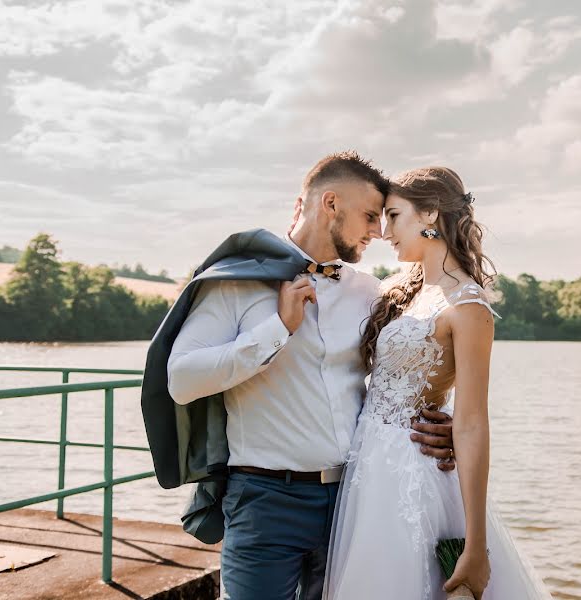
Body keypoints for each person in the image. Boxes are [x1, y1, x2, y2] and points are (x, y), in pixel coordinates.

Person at [166, 152, 457, 600]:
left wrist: (443, 424)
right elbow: (181, 379)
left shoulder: (371, 293)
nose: (378, 232)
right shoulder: (236, 283)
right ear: (330, 204)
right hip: (264, 502)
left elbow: (406, 371)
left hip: (355, 501)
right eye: (369, 216)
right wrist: (277, 330)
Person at [323, 167, 552, 599]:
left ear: (429, 214)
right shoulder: (399, 291)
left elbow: (471, 424)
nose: (384, 230)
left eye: (393, 216)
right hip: (367, 468)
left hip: (413, 473)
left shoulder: (468, 307)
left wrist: (476, 543)